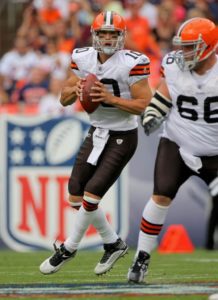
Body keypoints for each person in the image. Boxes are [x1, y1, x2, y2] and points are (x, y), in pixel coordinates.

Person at [39, 10, 152, 276]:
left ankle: (69, 247)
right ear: (95, 34)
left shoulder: (132, 62)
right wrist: (76, 90)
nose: (108, 38)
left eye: (113, 34)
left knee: (92, 193)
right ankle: (113, 243)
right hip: (97, 131)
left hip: (123, 135)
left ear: (121, 36)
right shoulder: (82, 57)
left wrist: (111, 99)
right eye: (104, 33)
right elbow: (64, 98)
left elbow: (144, 104)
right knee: (76, 195)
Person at [127, 17, 218, 283]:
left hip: (215, 150)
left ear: (210, 47)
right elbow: (165, 91)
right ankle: (142, 256)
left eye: (191, 47)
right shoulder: (173, 66)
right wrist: (154, 111)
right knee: (161, 195)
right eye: (183, 46)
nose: (184, 52)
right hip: (177, 143)